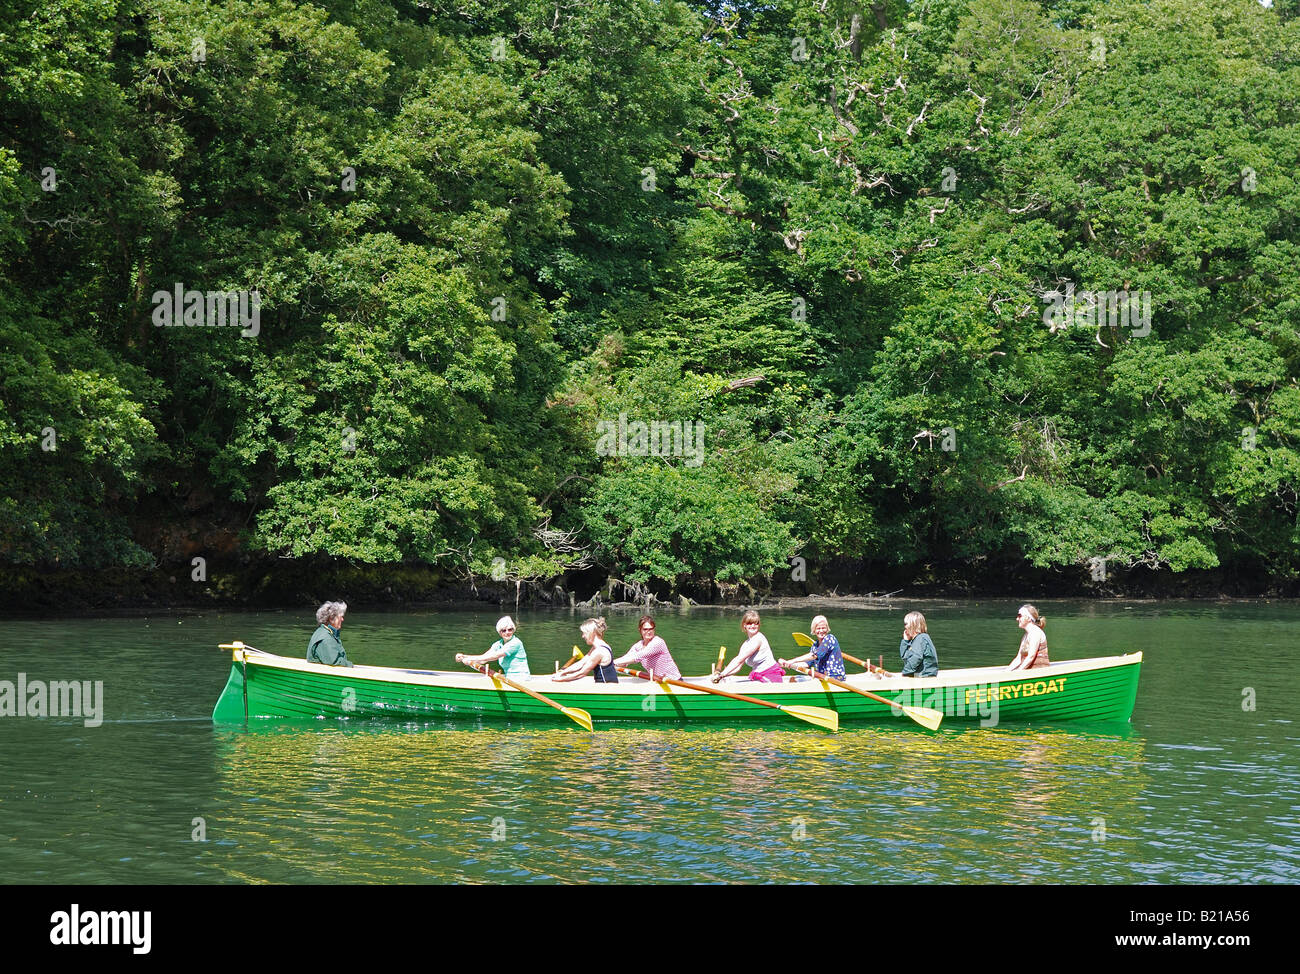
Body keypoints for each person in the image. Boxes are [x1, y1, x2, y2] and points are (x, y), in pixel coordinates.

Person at [715, 609, 784, 683]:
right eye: (750, 623)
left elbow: (738, 660)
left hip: (771, 677)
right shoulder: (745, 644)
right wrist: (722, 675)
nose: (753, 626)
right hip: (759, 677)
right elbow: (738, 667)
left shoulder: (758, 639)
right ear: (744, 625)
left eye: (756, 623)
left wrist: (721, 674)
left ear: (759, 625)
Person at [456, 615, 530, 678]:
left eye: (510, 630)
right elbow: (483, 659)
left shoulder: (515, 643)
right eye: (504, 630)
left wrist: (469, 658)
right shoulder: (498, 644)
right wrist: (464, 657)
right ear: (499, 632)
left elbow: (494, 656)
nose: (507, 632)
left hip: (521, 679)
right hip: (509, 678)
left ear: (513, 630)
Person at [613, 615, 681, 681]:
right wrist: (610, 665)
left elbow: (638, 657)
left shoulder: (658, 642)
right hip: (658, 680)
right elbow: (627, 658)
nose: (648, 632)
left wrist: (613, 662)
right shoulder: (638, 646)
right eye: (645, 629)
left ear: (654, 629)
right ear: (640, 630)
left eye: (651, 629)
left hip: (674, 681)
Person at [780, 614, 846, 680]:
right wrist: (788, 664)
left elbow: (814, 656)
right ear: (814, 630)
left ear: (827, 628)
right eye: (818, 628)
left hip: (835, 678)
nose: (821, 631)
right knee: (793, 679)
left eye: (823, 628)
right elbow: (806, 664)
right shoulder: (815, 645)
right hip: (821, 677)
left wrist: (792, 661)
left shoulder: (830, 638)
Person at [554, 617, 619, 683]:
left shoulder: (599, 651)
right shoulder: (599, 647)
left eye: (584, 633)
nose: (583, 636)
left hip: (606, 688)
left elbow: (582, 673)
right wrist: (562, 672)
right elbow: (581, 663)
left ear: (592, 633)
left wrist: (559, 680)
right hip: (604, 686)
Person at [307, 601, 354, 667]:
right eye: (340, 617)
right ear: (331, 619)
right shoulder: (326, 638)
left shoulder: (322, 631)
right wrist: (351, 665)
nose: (342, 619)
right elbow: (335, 661)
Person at [1008, 604, 1050, 670]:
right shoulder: (1026, 635)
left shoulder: (1035, 633)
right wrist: (1006, 672)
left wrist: (1017, 672)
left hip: (1039, 672)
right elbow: (1019, 659)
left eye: (1019, 616)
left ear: (1028, 618)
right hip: (1029, 671)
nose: (1017, 619)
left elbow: (1031, 656)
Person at [899, 611, 939, 677]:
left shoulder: (921, 638)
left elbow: (916, 657)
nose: (905, 626)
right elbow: (905, 658)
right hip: (917, 675)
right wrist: (905, 641)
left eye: (906, 624)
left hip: (924, 676)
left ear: (913, 625)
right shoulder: (914, 641)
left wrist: (905, 673)